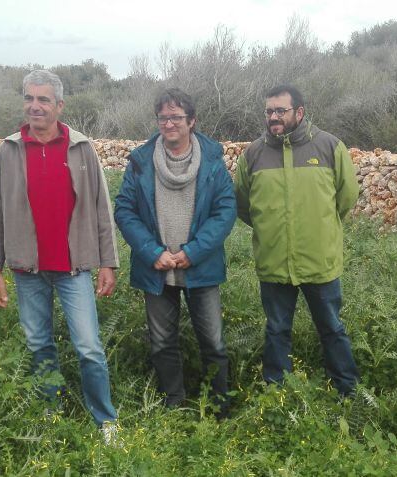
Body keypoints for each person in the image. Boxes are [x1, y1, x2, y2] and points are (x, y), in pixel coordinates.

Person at [0, 70, 119, 440]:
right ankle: (51, 413)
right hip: (27, 269)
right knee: (38, 344)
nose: (35, 106)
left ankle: (105, 420)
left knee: (89, 347)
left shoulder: (81, 148)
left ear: (59, 105)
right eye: (29, 98)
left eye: (43, 100)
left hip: (73, 269)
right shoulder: (9, 149)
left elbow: (101, 208)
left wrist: (108, 262)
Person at [114, 88, 236, 415]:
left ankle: (219, 406)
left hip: (200, 267)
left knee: (213, 343)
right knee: (162, 343)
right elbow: (125, 210)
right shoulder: (141, 162)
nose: (169, 124)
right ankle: (174, 403)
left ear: (192, 121)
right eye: (163, 117)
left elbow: (225, 211)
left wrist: (193, 252)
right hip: (156, 268)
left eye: (177, 117)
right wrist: (152, 251)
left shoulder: (212, 161)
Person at [234, 84, 360, 397]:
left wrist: (320, 226)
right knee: (277, 330)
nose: (273, 117)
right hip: (274, 261)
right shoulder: (253, 155)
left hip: (320, 260)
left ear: (299, 112)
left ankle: (347, 391)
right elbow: (243, 204)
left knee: (331, 328)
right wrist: (270, 228)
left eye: (280, 110)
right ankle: (277, 396)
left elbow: (346, 197)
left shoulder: (329, 147)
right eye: (269, 111)